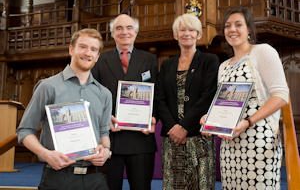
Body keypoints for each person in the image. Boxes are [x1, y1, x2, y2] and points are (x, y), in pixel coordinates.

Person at [200, 7, 289, 190]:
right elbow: (224, 103)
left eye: (238, 24)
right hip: (230, 145)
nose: (232, 29)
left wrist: (248, 122)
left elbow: (281, 95)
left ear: (249, 29)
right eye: (227, 26)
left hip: (259, 142)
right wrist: (209, 119)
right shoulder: (223, 66)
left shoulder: (263, 52)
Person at [17, 28, 112, 190]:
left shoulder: (104, 94)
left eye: (93, 49)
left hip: (96, 179)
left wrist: (106, 151)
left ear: (97, 56)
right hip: (58, 178)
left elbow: (104, 134)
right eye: (82, 47)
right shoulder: (48, 87)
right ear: (71, 49)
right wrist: (46, 154)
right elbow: (24, 131)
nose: (88, 53)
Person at [91, 14, 158, 190]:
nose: (124, 32)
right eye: (119, 28)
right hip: (110, 140)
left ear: (136, 32)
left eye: (129, 27)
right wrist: (105, 119)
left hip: (141, 140)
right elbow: (92, 97)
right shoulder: (100, 60)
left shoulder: (150, 60)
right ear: (112, 33)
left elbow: (157, 94)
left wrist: (154, 118)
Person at [156, 13, 219, 190]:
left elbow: (208, 96)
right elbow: (160, 99)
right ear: (176, 35)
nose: (187, 33)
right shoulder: (167, 64)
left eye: (192, 30)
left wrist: (183, 127)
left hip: (198, 139)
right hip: (172, 139)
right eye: (182, 30)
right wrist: (172, 128)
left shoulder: (209, 61)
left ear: (199, 34)